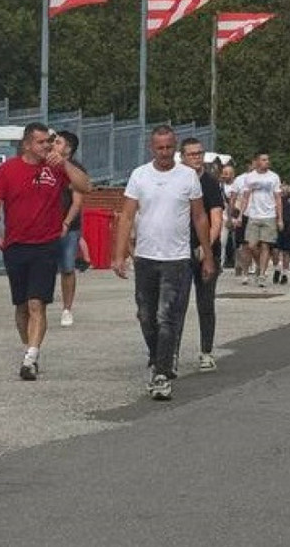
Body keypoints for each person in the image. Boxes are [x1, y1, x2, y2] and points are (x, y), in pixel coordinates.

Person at [113, 126, 213, 401]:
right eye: (160, 148)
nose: (165, 153)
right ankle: (158, 356)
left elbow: (200, 217)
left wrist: (207, 254)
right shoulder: (140, 176)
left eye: (169, 147)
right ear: (152, 148)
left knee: (165, 316)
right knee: (146, 316)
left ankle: (161, 373)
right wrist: (119, 254)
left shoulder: (188, 176)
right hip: (146, 257)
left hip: (177, 259)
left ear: (175, 147)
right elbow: (127, 215)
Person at [0, 123, 92, 380]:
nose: (47, 146)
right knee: (21, 305)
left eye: (49, 141)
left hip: (46, 245)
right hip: (15, 244)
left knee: (37, 303)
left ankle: (31, 357)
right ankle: (29, 349)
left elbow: (85, 186)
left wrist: (64, 165)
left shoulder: (56, 168)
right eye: (41, 142)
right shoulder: (8, 169)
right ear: (27, 144)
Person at [174, 137, 225, 371]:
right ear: (182, 157)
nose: (196, 157)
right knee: (177, 305)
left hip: (206, 250)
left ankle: (206, 351)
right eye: (192, 154)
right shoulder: (176, 180)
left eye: (199, 153)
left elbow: (216, 219)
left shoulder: (211, 183)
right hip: (179, 250)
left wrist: (206, 249)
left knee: (205, 303)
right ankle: (171, 353)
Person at [54, 130, 86, 327]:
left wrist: (66, 223)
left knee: (67, 268)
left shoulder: (75, 169)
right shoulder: (45, 165)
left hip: (69, 227)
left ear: (68, 149)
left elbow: (77, 202)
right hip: (44, 226)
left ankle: (67, 308)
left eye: (57, 142)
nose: (53, 145)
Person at [236, 152, 282, 288]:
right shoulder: (250, 177)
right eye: (263, 160)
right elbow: (245, 197)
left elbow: (278, 198)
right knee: (251, 245)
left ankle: (262, 274)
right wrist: (240, 215)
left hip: (269, 215)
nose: (266, 162)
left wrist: (280, 218)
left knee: (265, 245)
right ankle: (258, 265)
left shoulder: (274, 177)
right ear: (256, 162)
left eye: (267, 159)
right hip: (253, 215)